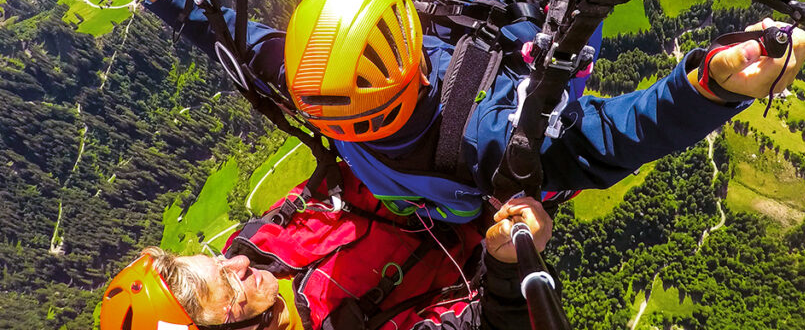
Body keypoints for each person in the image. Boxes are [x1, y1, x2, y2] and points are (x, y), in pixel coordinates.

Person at [98, 0, 805, 222]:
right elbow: (615, 138)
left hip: (462, 21)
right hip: (531, 49)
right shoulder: (495, 146)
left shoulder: (316, 85)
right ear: (414, 63)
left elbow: (235, 38)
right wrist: (710, 86)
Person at [99, 164, 554, 330]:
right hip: (494, 226)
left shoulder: (255, 244)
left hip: (434, 167)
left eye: (220, 258)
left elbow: (333, 181)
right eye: (231, 283)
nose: (239, 260)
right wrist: (504, 262)